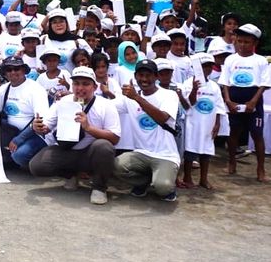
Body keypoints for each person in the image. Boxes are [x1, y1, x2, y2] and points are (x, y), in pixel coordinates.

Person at [29, 66, 121, 204]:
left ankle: (99, 188)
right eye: (76, 83)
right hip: (67, 151)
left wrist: (89, 127)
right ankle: (71, 175)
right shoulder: (63, 102)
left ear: (94, 87)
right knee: (36, 166)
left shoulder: (106, 105)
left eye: (85, 84)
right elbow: (46, 126)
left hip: (90, 153)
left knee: (104, 146)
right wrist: (37, 126)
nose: (80, 88)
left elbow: (114, 138)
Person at [114, 59, 181, 202]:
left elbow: (162, 118)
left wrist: (137, 97)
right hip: (141, 153)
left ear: (156, 76)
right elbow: (106, 107)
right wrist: (75, 96)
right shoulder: (128, 98)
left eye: (148, 75)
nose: (144, 79)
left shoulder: (169, 95)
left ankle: (165, 183)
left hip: (165, 155)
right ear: (135, 76)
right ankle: (143, 182)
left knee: (162, 188)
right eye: (141, 75)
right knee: (116, 165)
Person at [218, 23, 270, 181]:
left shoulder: (261, 61)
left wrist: (253, 102)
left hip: (253, 100)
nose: (242, 45)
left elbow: (264, 84)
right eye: (239, 41)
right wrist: (228, 101)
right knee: (233, 133)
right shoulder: (230, 59)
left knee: (257, 134)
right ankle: (232, 162)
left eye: (246, 42)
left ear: (255, 43)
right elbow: (225, 82)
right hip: (234, 99)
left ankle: (260, 169)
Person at [182, 53, 226, 189]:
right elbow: (189, 103)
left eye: (209, 66)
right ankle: (187, 177)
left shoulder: (214, 86)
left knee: (206, 151)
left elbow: (219, 106)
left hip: (208, 123)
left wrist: (217, 123)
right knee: (190, 150)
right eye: (203, 66)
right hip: (193, 123)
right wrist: (195, 89)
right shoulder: (188, 83)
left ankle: (203, 179)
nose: (206, 69)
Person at [0, 56, 49, 170]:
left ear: (24, 70)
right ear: (5, 73)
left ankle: (43, 156)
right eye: (9, 70)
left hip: (34, 134)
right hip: (10, 132)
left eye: (16, 69)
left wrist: (19, 139)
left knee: (19, 156)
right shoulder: (3, 89)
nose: (13, 72)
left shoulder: (35, 89)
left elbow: (40, 121)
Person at [39, 8, 92, 73]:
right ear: (50, 25)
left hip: (73, 81)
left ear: (66, 23)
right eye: (54, 22)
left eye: (61, 21)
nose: (58, 25)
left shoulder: (77, 41)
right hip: (47, 82)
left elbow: (90, 59)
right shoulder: (43, 39)